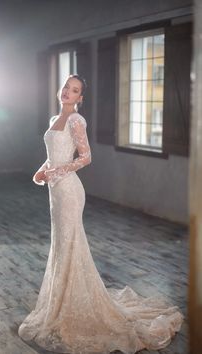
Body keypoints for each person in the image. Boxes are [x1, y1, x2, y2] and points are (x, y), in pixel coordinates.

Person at [18, 74, 183, 354]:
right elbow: (55, 153)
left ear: (81, 98)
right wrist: (41, 169)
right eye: (66, 88)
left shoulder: (76, 121)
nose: (67, 93)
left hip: (69, 192)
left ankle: (72, 306)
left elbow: (85, 157)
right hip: (55, 193)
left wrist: (56, 172)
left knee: (70, 244)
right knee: (61, 245)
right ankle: (62, 303)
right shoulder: (52, 120)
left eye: (74, 90)